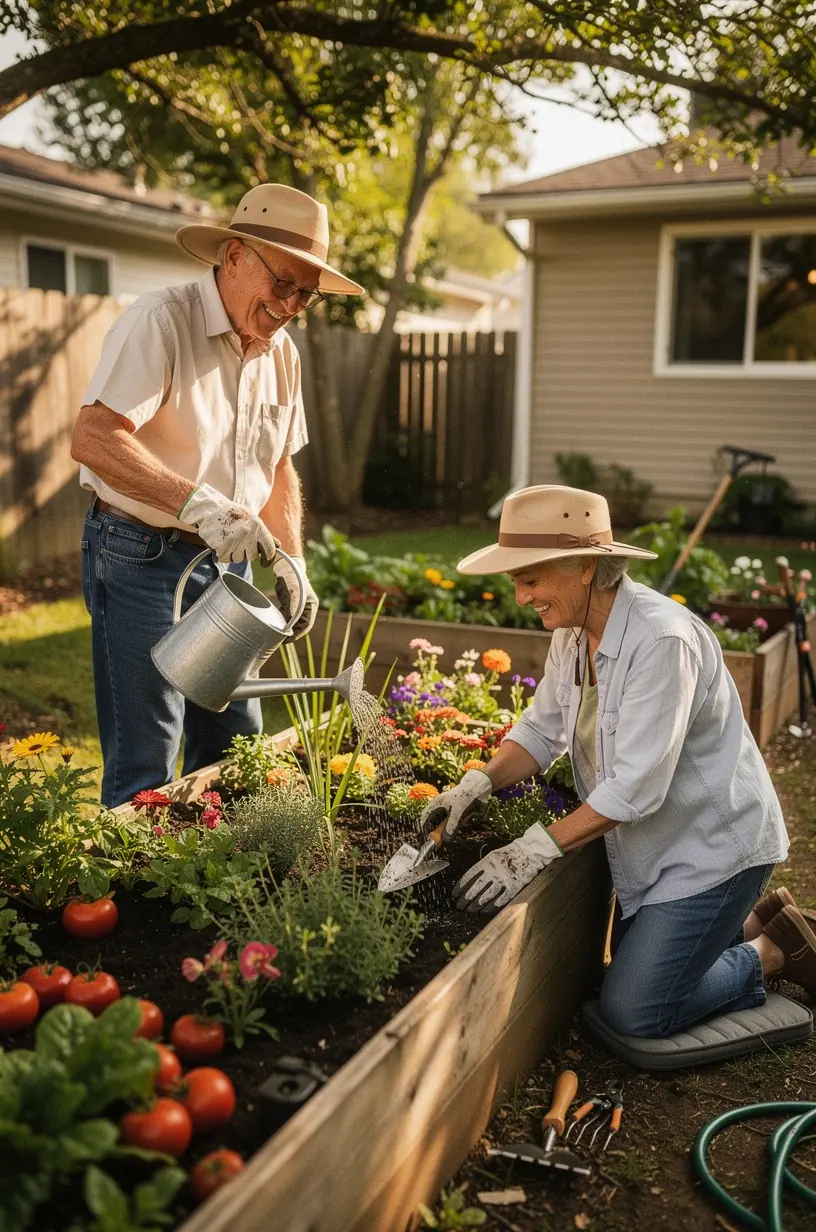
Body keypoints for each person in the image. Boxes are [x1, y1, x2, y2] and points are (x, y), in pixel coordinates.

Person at [419, 485, 814, 1039]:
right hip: (657, 847)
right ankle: (754, 920)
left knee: (634, 1010)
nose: (521, 597)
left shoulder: (661, 642)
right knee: (630, 975)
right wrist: (476, 783)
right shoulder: (574, 632)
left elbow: (633, 789)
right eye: (516, 582)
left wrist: (531, 850)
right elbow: (541, 730)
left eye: (530, 580)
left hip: (713, 849)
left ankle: (772, 951)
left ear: (585, 567)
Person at [71, 184, 362, 808]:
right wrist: (200, 505)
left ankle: (212, 867)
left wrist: (293, 561)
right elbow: (94, 437)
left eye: (305, 294)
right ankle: (134, 870)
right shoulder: (161, 321)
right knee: (149, 757)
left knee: (234, 745)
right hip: (138, 554)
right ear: (233, 256)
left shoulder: (282, 354)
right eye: (282, 282)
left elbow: (278, 466)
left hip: (227, 567)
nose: (290, 305)